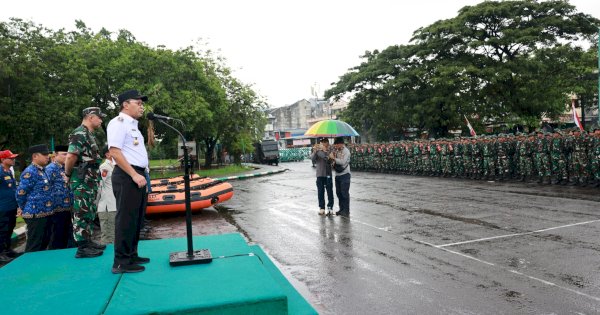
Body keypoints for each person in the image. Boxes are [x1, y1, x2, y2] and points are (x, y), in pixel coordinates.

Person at [107, 89, 150, 274]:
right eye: (138, 103)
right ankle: (121, 262)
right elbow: (115, 152)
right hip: (127, 175)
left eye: (142, 103)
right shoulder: (118, 123)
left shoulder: (134, 125)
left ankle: (131, 254)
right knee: (125, 219)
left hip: (137, 175)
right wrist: (134, 174)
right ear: (125, 104)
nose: (142, 106)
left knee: (136, 218)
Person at [64, 107, 106, 258]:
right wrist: (68, 174)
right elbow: (71, 156)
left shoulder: (88, 134)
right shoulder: (79, 133)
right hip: (82, 178)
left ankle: (87, 241)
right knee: (81, 211)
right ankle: (82, 247)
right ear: (90, 117)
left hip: (90, 178)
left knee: (89, 211)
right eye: (99, 117)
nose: (101, 120)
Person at [16, 144, 54, 252]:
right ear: (35, 156)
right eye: (44, 154)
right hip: (35, 214)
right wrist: (25, 208)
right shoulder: (30, 172)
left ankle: (39, 266)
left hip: (46, 213)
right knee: (34, 245)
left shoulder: (43, 170)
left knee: (44, 243)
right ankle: (28, 267)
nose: (47, 156)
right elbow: (20, 194)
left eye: (48, 154)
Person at [46, 145, 74, 249]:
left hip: (68, 207)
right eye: (64, 154)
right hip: (57, 209)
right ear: (56, 155)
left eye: (68, 154)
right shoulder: (50, 169)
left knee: (68, 235)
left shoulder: (66, 168)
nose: (66, 156)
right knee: (57, 236)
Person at [0, 150, 20, 261]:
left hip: (11, 206)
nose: (13, 160)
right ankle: (1, 252)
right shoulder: (0, 171)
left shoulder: (8, 171)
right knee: (2, 230)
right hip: (3, 207)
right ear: (3, 160)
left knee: (9, 229)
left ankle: (7, 249)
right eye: (11, 158)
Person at [97, 146, 117, 244]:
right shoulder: (104, 167)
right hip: (108, 205)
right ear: (107, 154)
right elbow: (100, 186)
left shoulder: (115, 165)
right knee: (108, 235)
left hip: (114, 203)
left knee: (115, 233)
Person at [310, 138, 334, 216]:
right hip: (320, 174)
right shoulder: (318, 150)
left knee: (329, 191)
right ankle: (322, 208)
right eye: (322, 142)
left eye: (325, 142)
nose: (323, 144)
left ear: (327, 143)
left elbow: (329, 159)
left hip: (328, 174)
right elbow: (312, 159)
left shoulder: (331, 149)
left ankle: (330, 207)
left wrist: (325, 151)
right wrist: (315, 151)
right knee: (320, 192)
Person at [330, 137, 351, 217]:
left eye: (337, 144)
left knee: (344, 193)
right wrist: (332, 159)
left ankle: (346, 211)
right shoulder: (336, 151)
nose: (336, 146)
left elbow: (342, 162)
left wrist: (334, 158)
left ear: (341, 144)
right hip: (337, 175)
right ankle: (341, 209)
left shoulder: (346, 151)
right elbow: (333, 162)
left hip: (345, 175)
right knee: (338, 193)